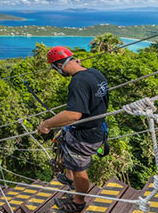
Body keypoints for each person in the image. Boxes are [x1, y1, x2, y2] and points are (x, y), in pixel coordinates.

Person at [38, 46, 109, 212]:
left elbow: (73, 114)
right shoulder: (95, 73)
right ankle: (69, 178)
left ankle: (78, 202)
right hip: (97, 128)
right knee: (66, 142)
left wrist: (46, 124)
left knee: (80, 169)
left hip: (84, 135)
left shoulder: (77, 82)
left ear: (58, 66)